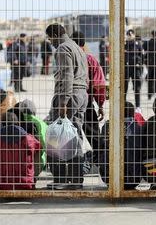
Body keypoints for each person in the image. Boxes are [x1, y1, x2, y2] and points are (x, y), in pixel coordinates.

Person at [45, 23, 90, 190]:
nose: (49, 41)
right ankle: (76, 179)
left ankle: (60, 179)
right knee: (74, 137)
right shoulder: (77, 47)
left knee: (58, 137)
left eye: (50, 37)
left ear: (56, 34)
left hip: (69, 97)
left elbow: (67, 76)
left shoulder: (63, 49)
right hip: (81, 95)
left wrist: (63, 102)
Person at [71, 31, 107, 168]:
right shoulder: (90, 59)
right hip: (86, 102)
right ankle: (101, 162)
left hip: (68, 103)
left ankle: (74, 163)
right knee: (94, 135)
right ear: (83, 43)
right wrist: (101, 105)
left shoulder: (68, 58)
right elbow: (99, 84)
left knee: (71, 134)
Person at [124, 29, 144, 108]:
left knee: (137, 88)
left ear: (134, 35)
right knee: (124, 87)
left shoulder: (138, 44)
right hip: (126, 68)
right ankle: (123, 104)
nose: (129, 35)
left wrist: (140, 64)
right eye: (128, 34)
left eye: (131, 34)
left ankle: (138, 106)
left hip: (136, 69)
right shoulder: (124, 44)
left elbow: (142, 55)